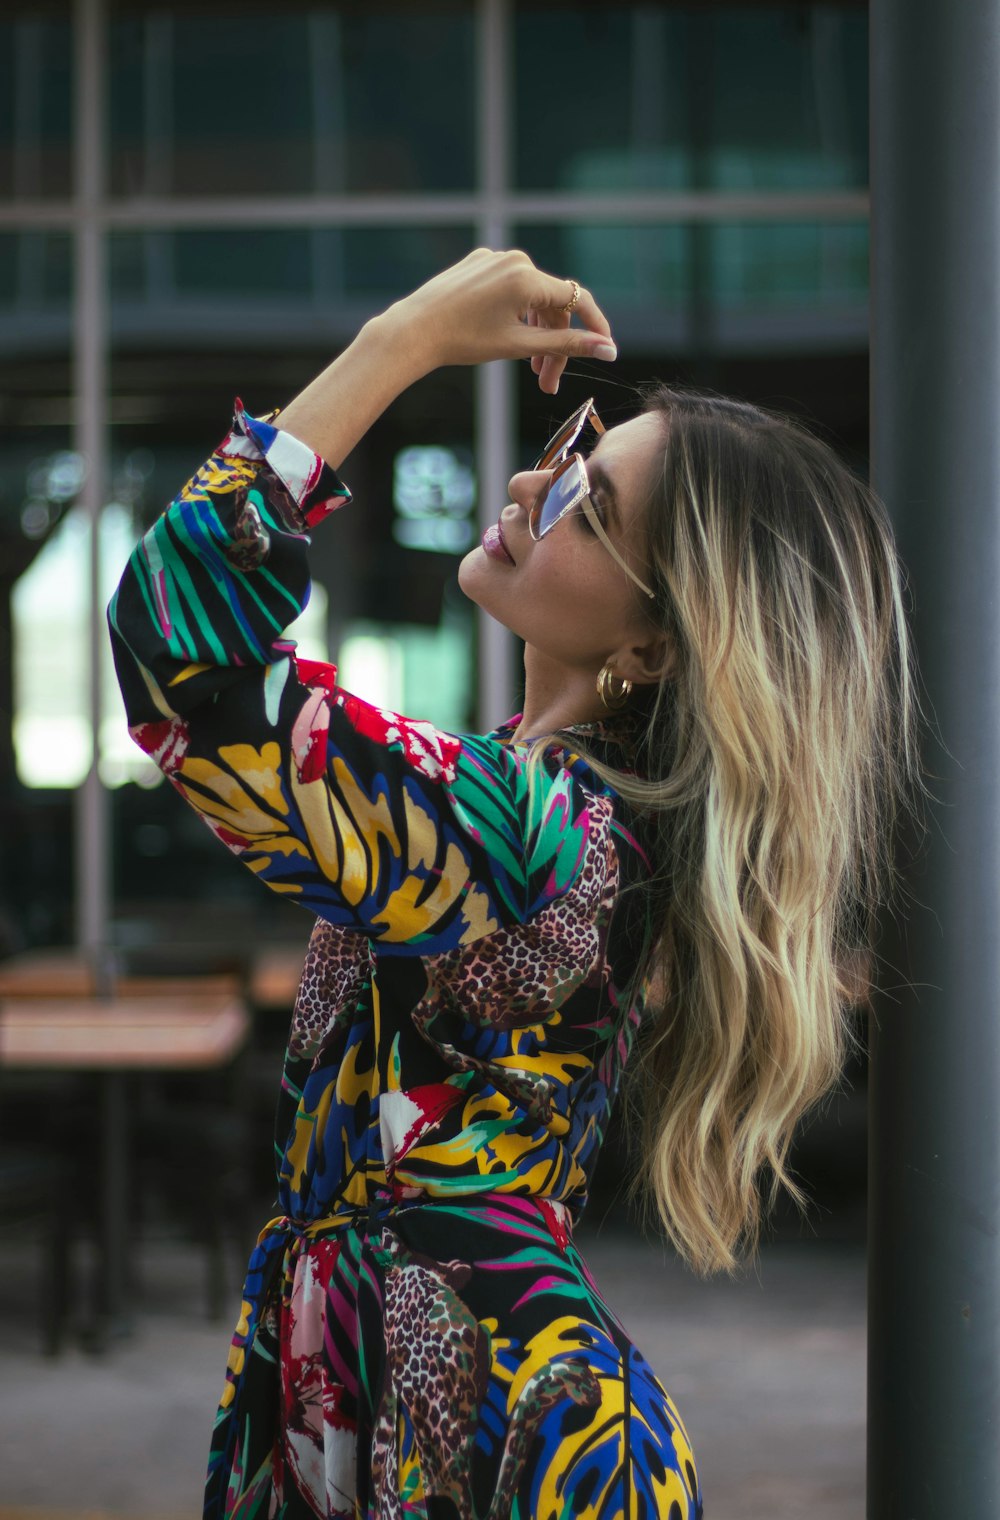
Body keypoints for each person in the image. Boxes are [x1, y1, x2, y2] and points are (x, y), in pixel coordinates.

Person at [108, 249, 918, 1520]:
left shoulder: (533, 830)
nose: (532, 480)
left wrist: (405, 337)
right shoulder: (529, 802)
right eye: (569, 449)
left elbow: (178, 651)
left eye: (585, 507)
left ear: (650, 644)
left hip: (508, 1431)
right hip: (406, 1375)